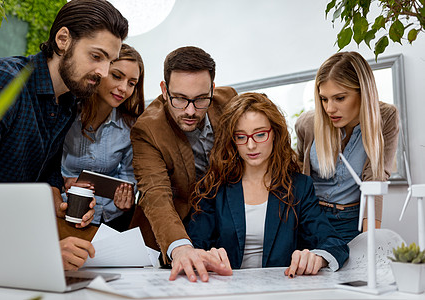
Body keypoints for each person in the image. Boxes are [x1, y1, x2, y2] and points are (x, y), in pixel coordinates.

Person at [0, 0, 128, 270]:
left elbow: (47, 175)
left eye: (110, 62)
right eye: (96, 56)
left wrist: (61, 203)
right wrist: (37, 253)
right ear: (63, 39)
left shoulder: (67, 104)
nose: (104, 73)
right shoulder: (1, 82)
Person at [183, 93, 349, 281]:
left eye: (260, 134)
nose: (251, 145)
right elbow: (194, 245)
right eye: (241, 137)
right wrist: (205, 256)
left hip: (281, 289)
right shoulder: (214, 187)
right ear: (232, 140)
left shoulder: (299, 187)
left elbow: (333, 242)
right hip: (226, 289)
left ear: (274, 134)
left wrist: (318, 258)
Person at [129, 46, 237, 278]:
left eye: (200, 99)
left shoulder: (229, 101)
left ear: (212, 90)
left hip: (222, 220)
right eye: (179, 99)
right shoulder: (147, 129)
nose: (190, 111)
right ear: (164, 90)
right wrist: (180, 247)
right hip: (173, 225)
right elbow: (155, 193)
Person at [295, 51, 399, 243]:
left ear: (363, 93)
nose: (329, 109)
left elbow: (375, 181)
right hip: (310, 218)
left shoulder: (386, 118)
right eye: (324, 99)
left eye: (340, 98)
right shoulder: (307, 124)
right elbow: (298, 180)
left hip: (352, 221)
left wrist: (370, 244)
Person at [61, 44, 145, 232]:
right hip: (61, 213)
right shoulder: (65, 113)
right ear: (101, 71)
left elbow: (128, 178)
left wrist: (125, 200)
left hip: (108, 222)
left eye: (132, 83)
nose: (123, 88)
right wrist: (64, 181)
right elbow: (42, 167)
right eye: (117, 76)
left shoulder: (130, 128)